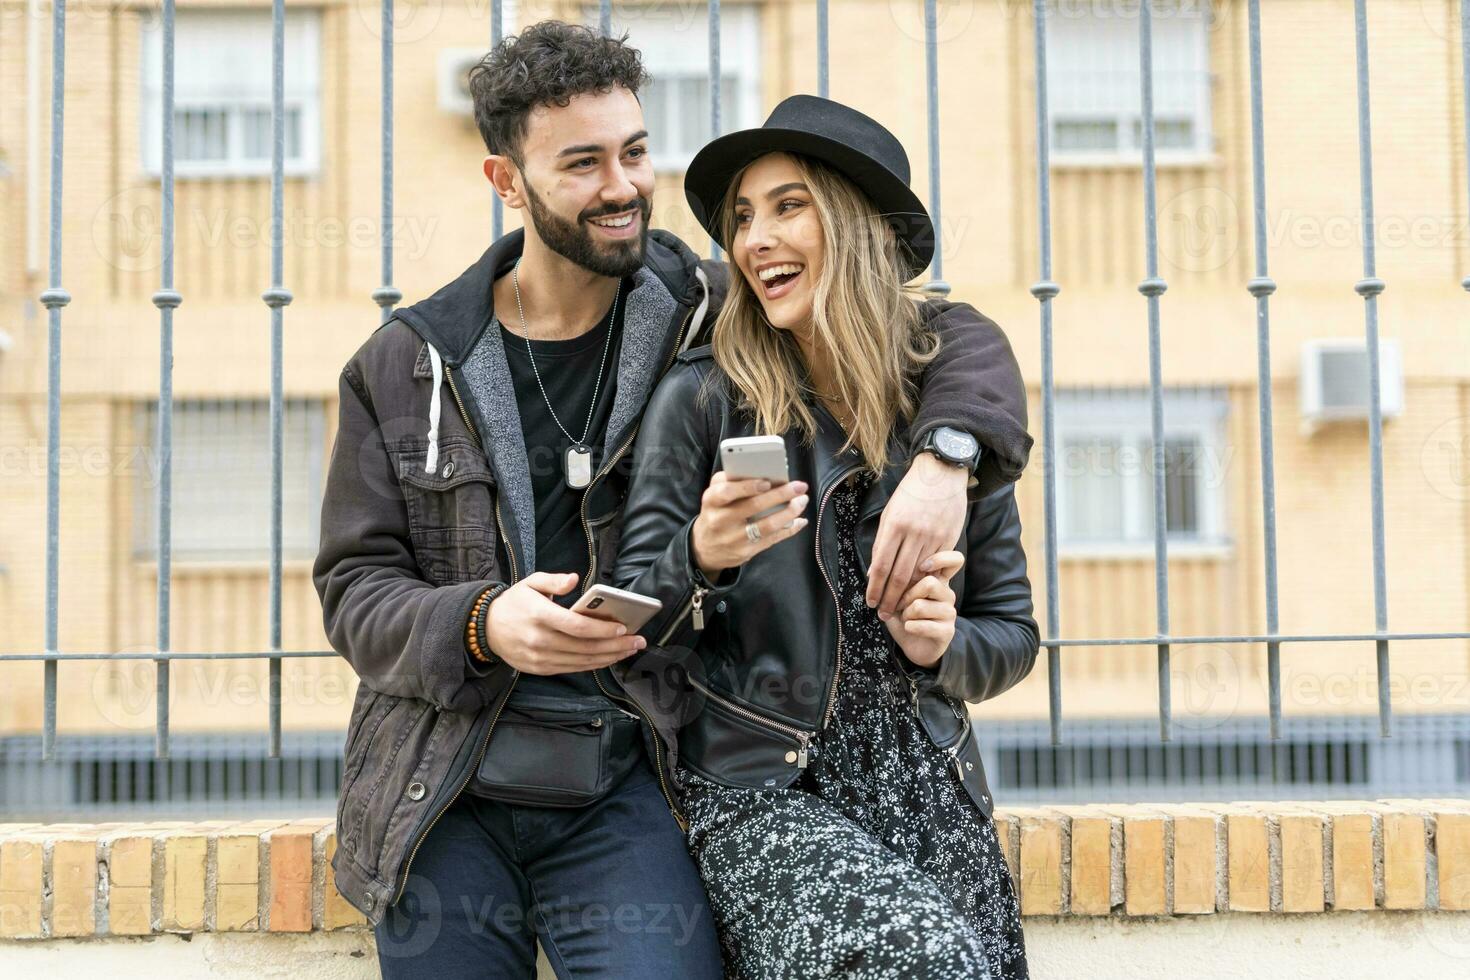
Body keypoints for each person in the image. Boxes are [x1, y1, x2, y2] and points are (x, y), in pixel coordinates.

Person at [311, 22, 1032, 979]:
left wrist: (947, 459)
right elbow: (355, 588)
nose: (622, 186)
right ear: (507, 182)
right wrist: (485, 624)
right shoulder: (407, 365)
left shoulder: (704, 311)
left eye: (636, 152)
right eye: (582, 163)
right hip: (445, 777)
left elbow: (934, 326)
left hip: (623, 766)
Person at [613, 94, 1039, 979]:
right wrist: (702, 558)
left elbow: (1013, 635)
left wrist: (943, 645)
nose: (754, 239)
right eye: (741, 217)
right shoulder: (700, 400)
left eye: (788, 205)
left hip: (928, 787)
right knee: (919, 960)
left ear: (857, 226)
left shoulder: (951, 423)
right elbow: (630, 627)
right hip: (761, 786)